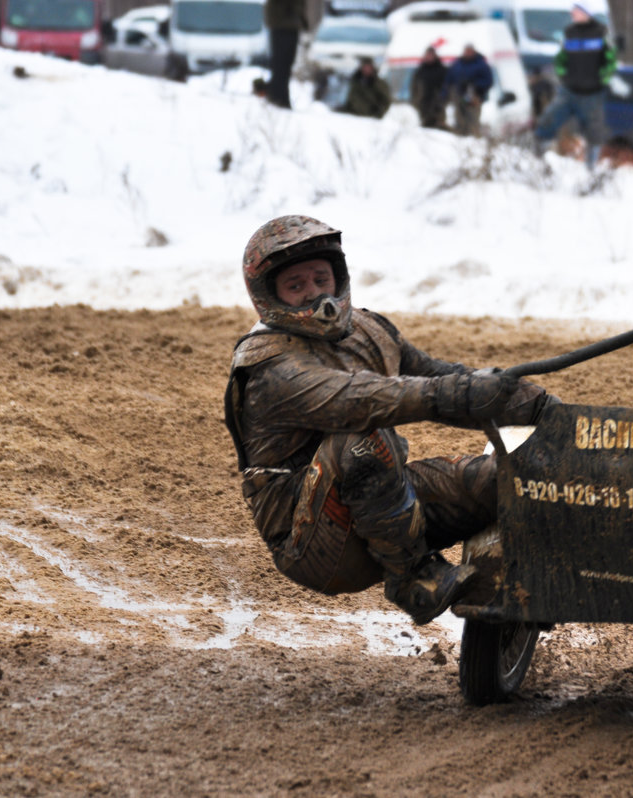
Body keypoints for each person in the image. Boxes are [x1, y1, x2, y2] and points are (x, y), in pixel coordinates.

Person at [225, 215, 555, 623]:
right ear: (270, 297)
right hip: (312, 542)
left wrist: (537, 407)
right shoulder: (269, 367)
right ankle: (413, 578)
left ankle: (523, 592)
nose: (314, 294)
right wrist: (459, 392)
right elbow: (356, 400)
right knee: (358, 440)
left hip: (384, 507)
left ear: (338, 277)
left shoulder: (369, 329)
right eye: (296, 286)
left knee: (505, 481)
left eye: (320, 279)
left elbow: (439, 378)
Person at [532, 3, 617, 171]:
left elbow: (610, 60)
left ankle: (590, 170)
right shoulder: (569, 33)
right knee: (547, 121)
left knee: (594, 133)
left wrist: (603, 79)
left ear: (586, 13)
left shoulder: (601, 32)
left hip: (592, 93)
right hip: (569, 91)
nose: (572, 13)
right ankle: (538, 163)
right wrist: (562, 74)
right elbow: (561, 59)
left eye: (576, 10)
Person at [442, 44, 494, 137]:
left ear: (473, 52)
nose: (467, 53)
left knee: (472, 120)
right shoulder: (457, 63)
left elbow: (488, 81)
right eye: (466, 51)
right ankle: (460, 138)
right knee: (459, 119)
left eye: (469, 51)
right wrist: (445, 92)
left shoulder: (481, 64)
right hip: (459, 96)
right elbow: (448, 79)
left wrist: (475, 85)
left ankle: (473, 139)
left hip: (474, 96)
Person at [263, 0, 306, 110]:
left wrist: (302, 19)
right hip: (281, 25)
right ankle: (277, 98)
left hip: (291, 25)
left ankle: (280, 98)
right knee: (280, 64)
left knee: (286, 64)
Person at [410, 47, 448, 129]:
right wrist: (416, 101)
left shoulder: (442, 70)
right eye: (427, 55)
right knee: (425, 129)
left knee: (439, 129)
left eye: (431, 55)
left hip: (438, 105)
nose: (429, 57)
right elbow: (414, 88)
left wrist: (444, 100)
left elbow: (448, 87)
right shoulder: (420, 71)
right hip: (423, 105)